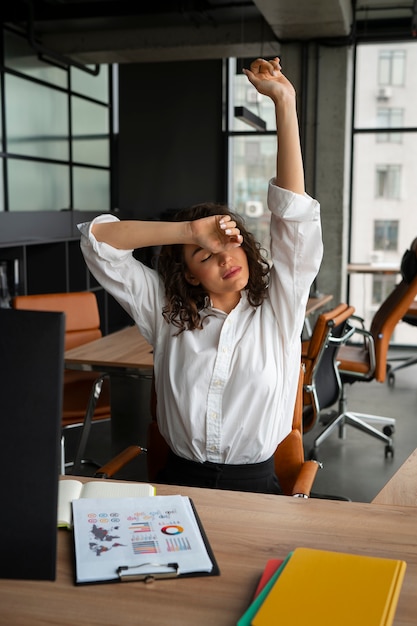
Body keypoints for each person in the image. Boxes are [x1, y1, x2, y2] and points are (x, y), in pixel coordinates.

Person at [78, 57, 323, 494]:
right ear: (189, 275)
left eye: (229, 241)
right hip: (177, 486)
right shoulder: (166, 312)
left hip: (257, 489)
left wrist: (284, 103)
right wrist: (187, 231)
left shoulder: (279, 310)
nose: (224, 256)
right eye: (204, 254)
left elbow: (294, 218)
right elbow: (98, 240)